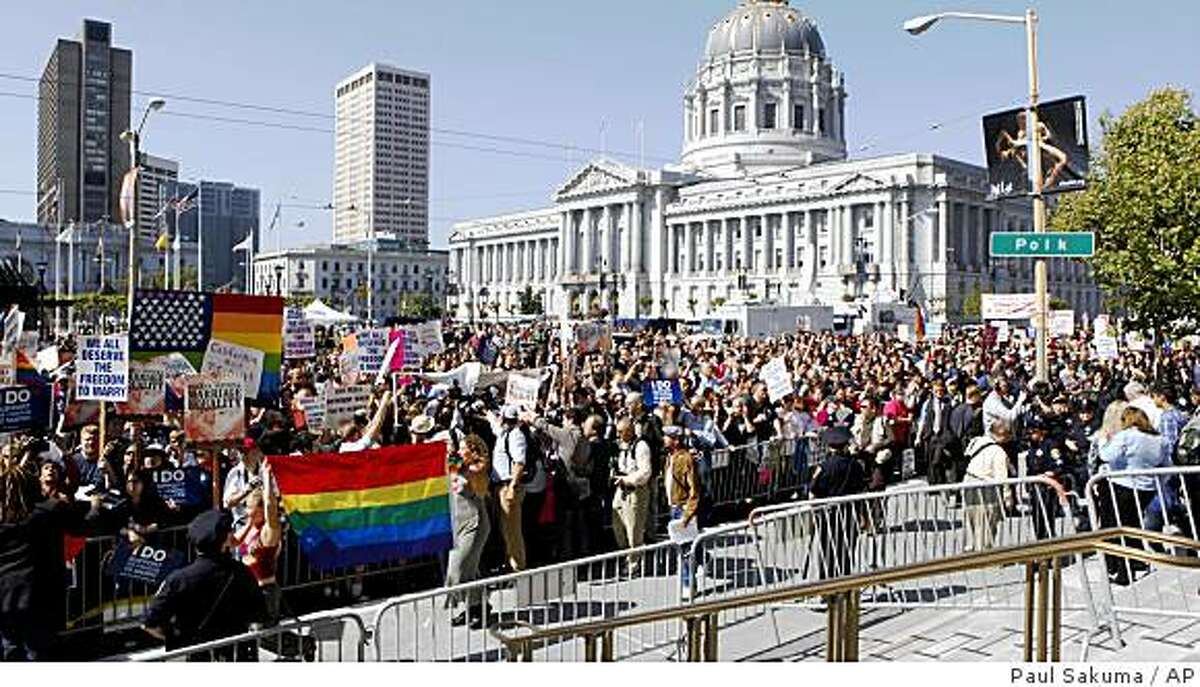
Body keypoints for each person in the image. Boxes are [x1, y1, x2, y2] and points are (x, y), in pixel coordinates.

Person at [0, 454, 102, 661]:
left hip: (4, 597)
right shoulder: (49, 510)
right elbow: (83, 527)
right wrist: (95, 507)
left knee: (10, 651)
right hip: (39, 597)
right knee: (37, 653)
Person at [143, 510, 267, 659]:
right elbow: (260, 615)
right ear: (227, 539)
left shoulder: (178, 580)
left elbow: (149, 623)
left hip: (195, 655)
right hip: (233, 654)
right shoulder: (241, 572)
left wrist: (175, 638)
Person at [1096, 407, 1168, 585]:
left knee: (1119, 528)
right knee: (1133, 524)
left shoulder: (1127, 435)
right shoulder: (1159, 439)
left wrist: (1103, 440)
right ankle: (1137, 561)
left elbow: (1106, 455)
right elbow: (1166, 465)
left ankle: (1123, 570)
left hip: (1123, 485)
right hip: (1146, 488)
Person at [445, 434, 493, 629]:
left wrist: (458, 460)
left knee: (460, 570)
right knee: (467, 570)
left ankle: (478, 607)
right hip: (457, 523)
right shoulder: (455, 464)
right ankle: (476, 607)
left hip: (475, 523)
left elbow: (477, 481)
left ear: (472, 451)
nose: (458, 450)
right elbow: (448, 469)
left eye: (462, 448)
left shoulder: (478, 469)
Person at [809, 426, 866, 580]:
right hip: (850, 513)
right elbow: (861, 489)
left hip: (828, 515)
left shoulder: (824, 467)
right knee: (846, 551)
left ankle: (827, 587)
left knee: (827, 551)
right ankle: (845, 585)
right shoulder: (855, 466)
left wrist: (814, 510)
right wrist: (862, 515)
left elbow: (814, 491)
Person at [962, 419, 1014, 552]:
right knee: (987, 521)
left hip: (969, 481)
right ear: (1004, 435)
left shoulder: (977, 441)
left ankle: (970, 545)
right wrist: (1008, 498)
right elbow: (1002, 478)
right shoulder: (998, 452)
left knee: (971, 518)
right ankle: (984, 550)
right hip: (985, 487)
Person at [611, 417, 653, 577]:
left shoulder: (641, 446)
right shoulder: (622, 445)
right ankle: (626, 555)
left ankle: (634, 563)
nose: (618, 434)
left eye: (621, 431)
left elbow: (645, 472)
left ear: (629, 430)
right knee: (617, 524)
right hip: (621, 488)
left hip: (635, 490)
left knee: (633, 529)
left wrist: (627, 479)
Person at [663, 426, 702, 598]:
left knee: (685, 548)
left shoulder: (685, 459)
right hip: (673, 507)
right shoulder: (669, 457)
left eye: (667, 437)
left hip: (683, 507)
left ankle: (688, 584)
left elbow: (694, 489)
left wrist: (688, 513)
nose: (664, 439)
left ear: (675, 440)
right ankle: (703, 557)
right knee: (686, 544)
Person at [489, 405, 527, 572]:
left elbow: (519, 462)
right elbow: (494, 426)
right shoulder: (504, 433)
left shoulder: (515, 436)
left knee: (512, 530)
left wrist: (512, 486)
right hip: (502, 487)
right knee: (505, 529)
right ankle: (510, 562)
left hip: (509, 486)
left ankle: (518, 567)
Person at [916, 380, 957, 485]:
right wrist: (918, 436)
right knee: (930, 460)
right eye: (936, 390)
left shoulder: (948, 403)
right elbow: (922, 420)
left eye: (941, 390)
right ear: (932, 391)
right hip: (930, 434)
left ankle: (941, 481)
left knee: (937, 459)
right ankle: (933, 483)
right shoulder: (927, 404)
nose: (939, 392)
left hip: (943, 434)